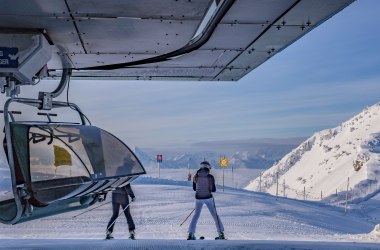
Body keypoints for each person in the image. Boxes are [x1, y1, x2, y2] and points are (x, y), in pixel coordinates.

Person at [187, 161, 225, 240]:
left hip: (198, 198)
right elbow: (213, 189)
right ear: (208, 167)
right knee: (215, 215)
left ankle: (191, 234)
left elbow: (194, 188)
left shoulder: (195, 176)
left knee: (196, 216)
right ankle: (221, 234)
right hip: (208, 198)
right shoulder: (210, 177)